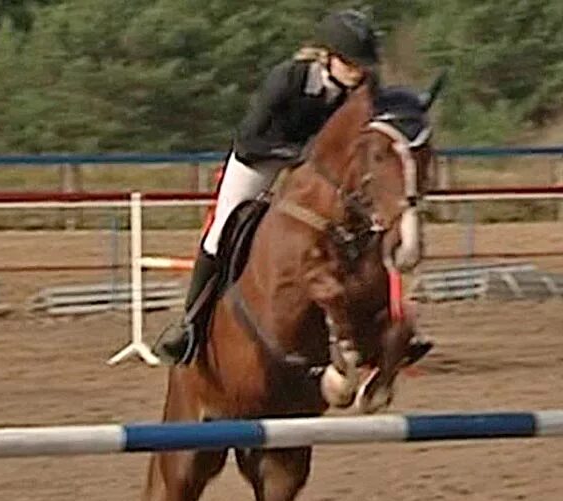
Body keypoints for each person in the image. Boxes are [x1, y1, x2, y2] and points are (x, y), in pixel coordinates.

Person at [154, 9, 431, 366]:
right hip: (260, 159)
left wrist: (413, 105)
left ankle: (389, 324)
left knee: (370, 228)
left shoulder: (362, 90)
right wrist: (298, 156)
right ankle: (190, 325)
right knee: (219, 234)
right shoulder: (288, 79)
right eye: (350, 63)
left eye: (362, 65)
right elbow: (251, 136)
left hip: (315, 173)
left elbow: (389, 112)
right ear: (327, 55)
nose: (358, 72)